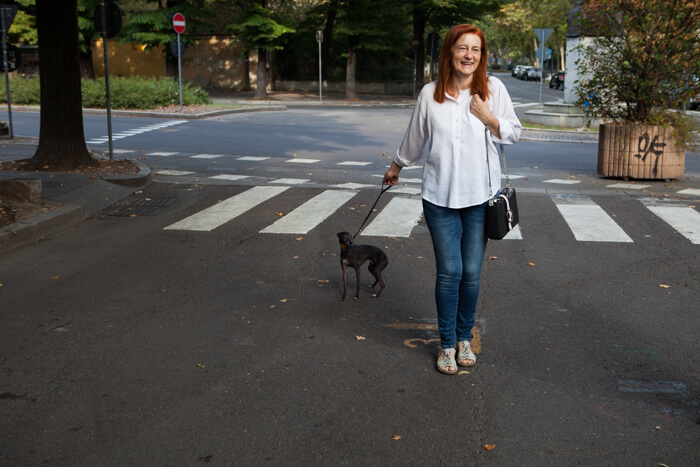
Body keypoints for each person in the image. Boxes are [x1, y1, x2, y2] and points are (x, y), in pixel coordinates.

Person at [383, 24, 521, 375]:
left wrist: (489, 118)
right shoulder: (431, 94)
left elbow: (514, 133)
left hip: (479, 199)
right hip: (439, 197)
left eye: (475, 49)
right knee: (450, 272)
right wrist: (396, 165)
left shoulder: (493, 89)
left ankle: (464, 338)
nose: (468, 55)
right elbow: (415, 137)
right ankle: (446, 344)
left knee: (471, 272)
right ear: (450, 52)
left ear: (482, 56)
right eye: (462, 47)